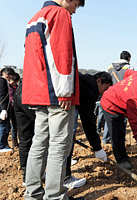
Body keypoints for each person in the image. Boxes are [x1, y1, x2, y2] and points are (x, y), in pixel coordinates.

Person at [22, 1, 85, 200]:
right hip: (56, 93)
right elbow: (62, 54)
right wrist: (66, 91)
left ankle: (32, 193)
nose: (75, 10)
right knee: (59, 145)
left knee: (39, 143)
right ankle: (55, 196)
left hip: (38, 90)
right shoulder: (59, 14)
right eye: (76, 4)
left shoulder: (35, 17)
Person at [101, 70, 137, 169]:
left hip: (120, 101)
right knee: (117, 133)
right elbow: (134, 121)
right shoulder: (136, 98)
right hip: (110, 104)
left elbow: (128, 72)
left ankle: (123, 155)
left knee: (122, 130)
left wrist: (124, 88)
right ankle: (121, 160)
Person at [0, 69, 13, 152]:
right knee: (3, 126)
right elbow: (2, 96)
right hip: (2, 108)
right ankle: (1, 146)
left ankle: (3, 144)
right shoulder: (2, 81)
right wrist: (4, 109)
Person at [8, 72, 20, 147]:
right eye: (14, 82)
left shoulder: (17, 87)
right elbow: (11, 98)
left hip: (17, 108)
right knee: (13, 126)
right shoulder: (8, 87)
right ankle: (14, 142)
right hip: (11, 108)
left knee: (17, 126)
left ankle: (16, 142)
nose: (15, 83)